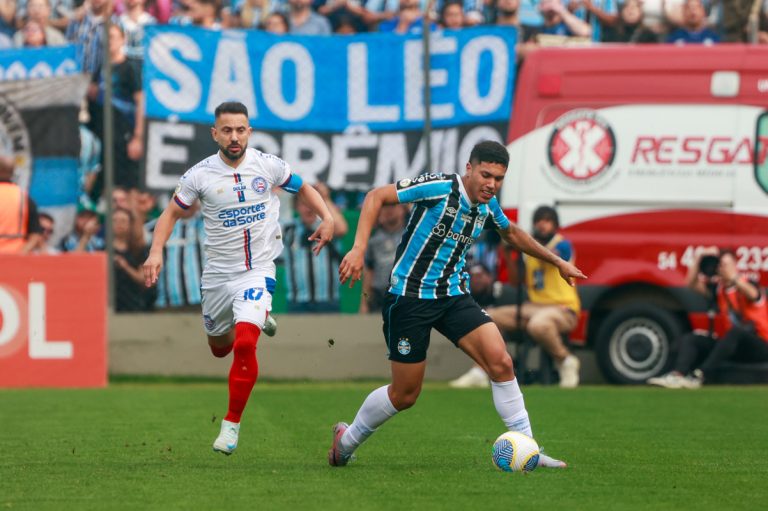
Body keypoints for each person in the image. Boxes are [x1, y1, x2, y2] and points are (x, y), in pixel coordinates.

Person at [328, 140, 586, 468]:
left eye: (499, 178)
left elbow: (513, 234)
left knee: (501, 362)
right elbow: (376, 196)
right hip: (409, 298)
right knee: (405, 395)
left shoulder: (488, 206)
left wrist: (557, 262)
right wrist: (359, 248)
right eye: (486, 175)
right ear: (469, 169)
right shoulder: (439, 187)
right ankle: (346, 442)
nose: (491, 184)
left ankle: (530, 450)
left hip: (453, 296)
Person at [143, 101, 336, 455]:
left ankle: (231, 426)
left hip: (258, 270)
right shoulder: (198, 175)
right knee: (220, 349)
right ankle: (257, 315)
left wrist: (327, 217)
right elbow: (171, 214)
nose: (235, 137)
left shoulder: (268, 165)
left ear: (249, 131)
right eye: (227, 130)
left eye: (241, 129)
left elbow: (304, 187)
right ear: (215, 133)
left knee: (245, 344)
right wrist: (156, 251)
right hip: (217, 275)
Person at [451, 205, 582, 388]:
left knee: (539, 324)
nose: (542, 225)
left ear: (555, 225)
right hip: (534, 306)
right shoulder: (530, 250)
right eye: (538, 221)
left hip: (562, 307)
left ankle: (566, 360)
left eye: (547, 221)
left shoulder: (562, 244)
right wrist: (507, 251)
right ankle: (481, 370)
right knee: (486, 317)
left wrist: (525, 241)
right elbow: (515, 280)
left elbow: (552, 258)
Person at [647, 248, 768, 389]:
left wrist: (734, 278)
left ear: (734, 266)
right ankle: (678, 375)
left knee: (736, 332)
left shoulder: (748, 283)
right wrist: (699, 256)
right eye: (720, 266)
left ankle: (700, 376)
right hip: (732, 347)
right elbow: (691, 284)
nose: (723, 269)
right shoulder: (719, 290)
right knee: (693, 338)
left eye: (726, 265)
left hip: (760, 345)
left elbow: (753, 295)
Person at [282, 183, 348, 313]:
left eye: (312, 205)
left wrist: (325, 199)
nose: (308, 209)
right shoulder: (289, 229)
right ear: (296, 207)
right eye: (303, 204)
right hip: (297, 303)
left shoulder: (329, 227)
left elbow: (342, 229)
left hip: (328, 301)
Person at [360, 203, 407, 313]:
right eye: (384, 207)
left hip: (405, 296)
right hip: (379, 297)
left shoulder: (410, 236)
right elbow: (368, 274)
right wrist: (364, 302)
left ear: (402, 209)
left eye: (393, 205)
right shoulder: (373, 239)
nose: (389, 210)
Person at [0, 154, 44, 254]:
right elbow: (35, 235)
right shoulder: (23, 197)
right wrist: (20, 255)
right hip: (16, 257)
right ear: (12, 173)